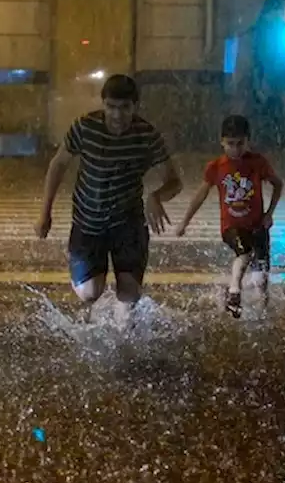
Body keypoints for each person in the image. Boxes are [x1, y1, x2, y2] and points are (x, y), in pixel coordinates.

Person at [35, 73, 183, 311]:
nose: (117, 115)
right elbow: (58, 164)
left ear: (135, 106)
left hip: (128, 222)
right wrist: (45, 213)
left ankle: (124, 323)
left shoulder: (146, 135)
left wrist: (156, 196)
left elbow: (175, 181)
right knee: (89, 293)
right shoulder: (85, 127)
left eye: (125, 108)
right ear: (103, 103)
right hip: (88, 221)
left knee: (129, 294)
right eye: (111, 107)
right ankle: (94, 295)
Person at [173, 114, 283, 318]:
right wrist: (184, 222)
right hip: (231, 226)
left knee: (261, 280)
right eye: (230, 144)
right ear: (221, 141)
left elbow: (278, 184)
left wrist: (269, 214)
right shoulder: (216, 167)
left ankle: (261, 314)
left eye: (240, 144)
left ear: (248, 140)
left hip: (258, 226)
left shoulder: (258, 162)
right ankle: (234, 291)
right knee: (244, 253)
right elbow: (200, 195)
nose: (235, 149)